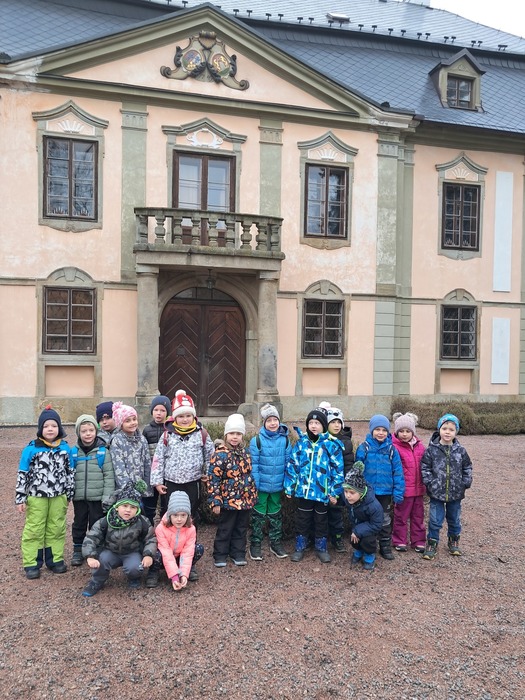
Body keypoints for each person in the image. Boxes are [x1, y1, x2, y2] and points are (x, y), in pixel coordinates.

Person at [150, 389, 214, 580]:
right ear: (174, 417)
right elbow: (158, 459)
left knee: (190, 518)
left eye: (188, 415)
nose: (185, 419)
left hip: (192, 483)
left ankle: (187, 560)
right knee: (168, 519)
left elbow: (210, 456)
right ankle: (165, 557)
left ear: (193, 416)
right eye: (181, 416)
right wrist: (157, 481)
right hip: (171, 483)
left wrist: (208, 474)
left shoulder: (201, 434)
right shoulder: (167, 435)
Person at [15, 406, 74, 579]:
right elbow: (23, 474)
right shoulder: (31, 449)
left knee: (57, 527)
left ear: (59, 428)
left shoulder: (65, 449)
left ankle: (54, 559)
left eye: (54, 426)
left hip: (58, 495)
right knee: (35, 528)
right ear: (40, 428)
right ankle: (32, 562)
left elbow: (70, 472)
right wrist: (20, 497)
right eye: (46, 426)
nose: (50, 429)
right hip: (36, 496)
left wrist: (69, 493)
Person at [284, 409, 344, 564]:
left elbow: (338, 470)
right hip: (304, 491)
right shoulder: (301, 443)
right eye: (311, 423)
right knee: (302, 519)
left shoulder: (331, 444)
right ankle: (300, 546)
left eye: (317, 423)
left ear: (323, 426)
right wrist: (289, 486)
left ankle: (321, 547)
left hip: (322, 492)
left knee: (321, 520)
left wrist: (334, 492)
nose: (313, 426)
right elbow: (293, 465)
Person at [81, 481, 157, 597]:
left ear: (137, 509)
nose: (128, 510)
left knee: (135, 568)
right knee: (101, 562)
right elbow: (91, 537)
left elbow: (150, 539)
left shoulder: (142, 522)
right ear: (117, 507)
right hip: (110, 551)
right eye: (124, 506)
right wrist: (90, 556)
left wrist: (148, 555)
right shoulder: (105, 521)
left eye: (132, 507)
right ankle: (96, 581)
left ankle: (134, 577)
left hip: (132, 552)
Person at [207, 413, 257, 567]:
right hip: (227, 500)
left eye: (238, 434)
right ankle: (220, 554)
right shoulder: (219, 455)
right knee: (225, 528)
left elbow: (248, 474)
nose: (235, 437)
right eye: (232, 433)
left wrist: (252, 495)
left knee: (241, 528)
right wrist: (216, 501)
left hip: (244, 499)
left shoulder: (245, 453)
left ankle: (238, 553)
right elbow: (213, 479)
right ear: (226, 435)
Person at [421, 413, 473, 560]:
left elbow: (467, 467)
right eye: (444, 428)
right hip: (436, 492)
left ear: (456, 432)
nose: (447, 432)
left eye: (451, 429)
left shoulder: (461, 451)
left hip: (456, 493)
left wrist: (466, 482)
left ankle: (454, 541)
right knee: (435, 520)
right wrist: (430, 482)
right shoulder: (431, 450)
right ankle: (432, 542)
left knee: (454, 519)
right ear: (439, 430)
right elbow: (425, 467)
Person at [355, 414, 405, 561]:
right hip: (368, 493)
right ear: (372, 430)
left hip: (385, 492)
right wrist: (358, 490)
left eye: (384, 430)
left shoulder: (391, 450)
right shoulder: (364, 448)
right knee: (366, 518)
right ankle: (366, 546)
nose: (381, 433)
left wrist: (398, 492)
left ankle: (385, 545)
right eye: (377, 429)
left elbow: (398, 472)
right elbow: (357, 471)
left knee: (384, 519)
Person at [70, 414, 115, 567]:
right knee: (79, 523)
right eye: (84, 431)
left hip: (97, 497)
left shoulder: (103, 452)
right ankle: (78, 548)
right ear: (78, 432)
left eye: (91, 430)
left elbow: (109, 476)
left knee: (97, 524)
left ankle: (96, 548)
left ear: (96, 431)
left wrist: (107, 497)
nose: (88, 434)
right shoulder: (73, 452)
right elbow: (69, 474)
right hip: (79, 497)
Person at [249, 403, 291, 560]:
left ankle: (275, 542)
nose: (273, 423)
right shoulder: (257, 440)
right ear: (264, 423)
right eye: (269, 420)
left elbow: (289, 464)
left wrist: (287, 484)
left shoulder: (285, 440)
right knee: (258, 515)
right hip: (262, 486)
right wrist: (256, 485)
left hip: (277, 486)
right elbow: (254, 465)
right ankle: (255, 543)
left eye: (275, 420)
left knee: (275, 514)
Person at [109, 402, 156, 525]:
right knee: (128, 515)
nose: (132, 423)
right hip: (126, 489)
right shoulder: (117, 441)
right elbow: (119, 468)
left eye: (134, 419)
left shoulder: (142, 439)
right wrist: (128, 489)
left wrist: (147, 485)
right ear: (121, 424)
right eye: (128, 421)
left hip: (141, 486)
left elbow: (147, 463)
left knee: (144, 515)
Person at [153, 491, 203, 591]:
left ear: (188, 515)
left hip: (180, 556)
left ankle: (188, 568)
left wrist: (184, 574)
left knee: (198, 548)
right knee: (155, 554)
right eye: (175, 515)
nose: (179, 519)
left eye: (183, 515)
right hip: (165, 557)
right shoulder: (160, 529)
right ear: (169, 515)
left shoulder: (191, 529)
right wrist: (175, 577)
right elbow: (166, 552)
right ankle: (154, 571)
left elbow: (187, 552)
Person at [391, 412, 426, 553]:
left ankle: (418, 541)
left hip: (418, 489)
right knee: (401, 516)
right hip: (404, 490)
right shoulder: (395, 447)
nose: (404, 434)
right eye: (401, 431)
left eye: (407, 431)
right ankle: (399, 540)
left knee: (418, 517)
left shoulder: (420, 447)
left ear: (413, 432)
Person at [342, 461, 383, 571]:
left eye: (351, 492)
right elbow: (342, 500)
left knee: (367, 540)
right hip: (356, 526)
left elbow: (376, 524)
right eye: (346, 491)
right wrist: (335, 501)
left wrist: (358, 530)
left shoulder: (373, 506)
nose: (348, 496)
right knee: (354, 539)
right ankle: (359, 550)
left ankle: (369, 554)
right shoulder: (349, 498)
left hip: (370, 529)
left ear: (360, 493)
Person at [325, 406, 354, 553]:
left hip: (338, 484)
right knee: (320, 513)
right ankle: (318, 537)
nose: (336, 425)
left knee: (336, 513)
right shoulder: (322, 440)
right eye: (333, 422)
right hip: (323, 483)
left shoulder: (346, 442)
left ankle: (337, 538)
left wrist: (346, 483)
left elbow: (349, 464)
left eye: (339, 422)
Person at [142, 395, 172, 518]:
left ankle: (165, 523)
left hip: (167, 472)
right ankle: (149, 524)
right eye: (156, 410)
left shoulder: (171, 429)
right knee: (150, 503)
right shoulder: (147, 430)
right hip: (152, 472)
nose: (159, 413)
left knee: (166, 502)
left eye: (162, 410)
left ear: (168, 412)